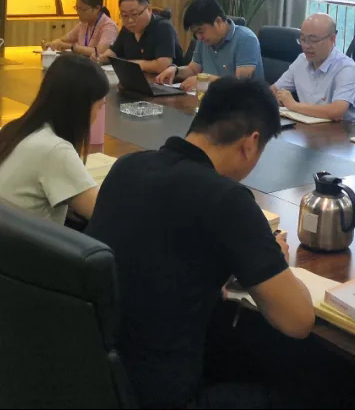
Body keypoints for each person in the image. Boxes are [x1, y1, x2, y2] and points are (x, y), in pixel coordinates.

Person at [86, 78, 314, 408]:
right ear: (251, 143)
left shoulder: (128, 166)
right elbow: (299, 321)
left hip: (98, 376)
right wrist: (272, 258)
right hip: (163, 394)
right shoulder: (227, 199)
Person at [0, 55, 108, 224]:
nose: (98, 115)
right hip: (18, 239)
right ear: (82, 107)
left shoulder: (15, 129)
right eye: (99, 107)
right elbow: (105, 214)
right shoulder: (55, 150)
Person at [154, 0, 264, 90]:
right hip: (214, 99)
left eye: (201, 31)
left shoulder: (246, 39)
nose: (199, 37)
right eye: (195, 33)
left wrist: (206, 80)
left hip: (245, 104)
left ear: (218, 21)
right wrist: (175, 70)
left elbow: (240, 84)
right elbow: (193, 70)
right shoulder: (204, 40)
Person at [271, 13, 355, 123]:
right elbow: (274, 90)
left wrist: (293, 105)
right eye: (302, 39)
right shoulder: (301, 60)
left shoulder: (346, 68)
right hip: (307, 128)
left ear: (332, 39)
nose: (306, 46)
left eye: (313, 40)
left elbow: (337, 112)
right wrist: (276, 96)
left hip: (342, 131)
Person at [96, 0, 181, 74]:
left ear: (149, 9)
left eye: (134, 14)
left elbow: (162, 65)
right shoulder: (126, 29)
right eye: (125, 15)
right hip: (136, 78)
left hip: (166, 81)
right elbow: (114, 52)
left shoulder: (163, 28)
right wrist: (101, 58)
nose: (130, 20)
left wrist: (130, 64)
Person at [43, 0, 118, 59]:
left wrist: (71, 47)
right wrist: (52, 44)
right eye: (77, 8)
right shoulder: (83, 23)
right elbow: (65, 39)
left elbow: (100, 52)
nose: (78, 13)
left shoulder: (109, 26)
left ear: (97, 8)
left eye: (83, 9)